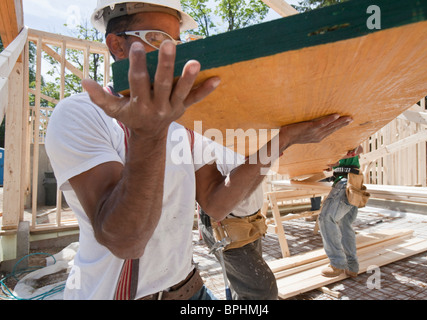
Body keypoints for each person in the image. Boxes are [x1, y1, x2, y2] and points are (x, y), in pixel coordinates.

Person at [45, 0, 353, 300]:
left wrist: (282, 140)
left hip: (190, 289)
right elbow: (126, 242)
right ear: (117, 45)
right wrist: (150, 135)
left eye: (176, 43)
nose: (172, 53)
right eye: (157, 39)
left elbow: (217, 204)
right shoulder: (80, 114)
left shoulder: (187, 123)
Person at [199, 146, 278, 300]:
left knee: (244, 287)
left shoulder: (250, 137)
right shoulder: (208, 139)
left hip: (251, 219)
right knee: (261, 291)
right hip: (225, 225)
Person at [318, 145, 364, 278]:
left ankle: (337, 263)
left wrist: (337, 159)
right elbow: (357, 151)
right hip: (354, 181)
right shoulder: (345, 135)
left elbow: (358, 149)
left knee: (326, 218)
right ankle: (352, 266)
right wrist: (334, 164)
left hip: (345, 182)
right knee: (345, 225)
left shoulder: (342, 134)